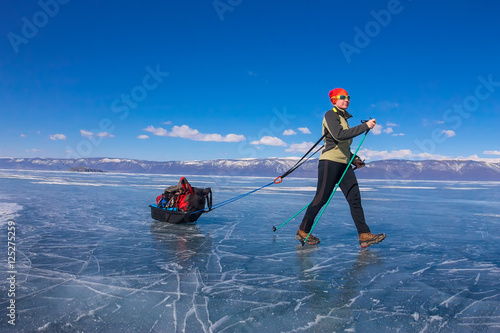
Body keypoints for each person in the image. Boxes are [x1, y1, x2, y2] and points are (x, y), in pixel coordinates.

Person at [296, 88, 386, 248]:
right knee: (321, 198)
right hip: (329, 162)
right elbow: (339, 135)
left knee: (355, 198)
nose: (347, 100)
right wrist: (365, 126)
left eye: (348, 97)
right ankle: (303, 231)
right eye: (342, 97)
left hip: (344, 164)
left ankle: (364, 235)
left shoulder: (344, 119)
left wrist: (354, 160)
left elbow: (343, 146)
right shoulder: (330, 115)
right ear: (334, 100)